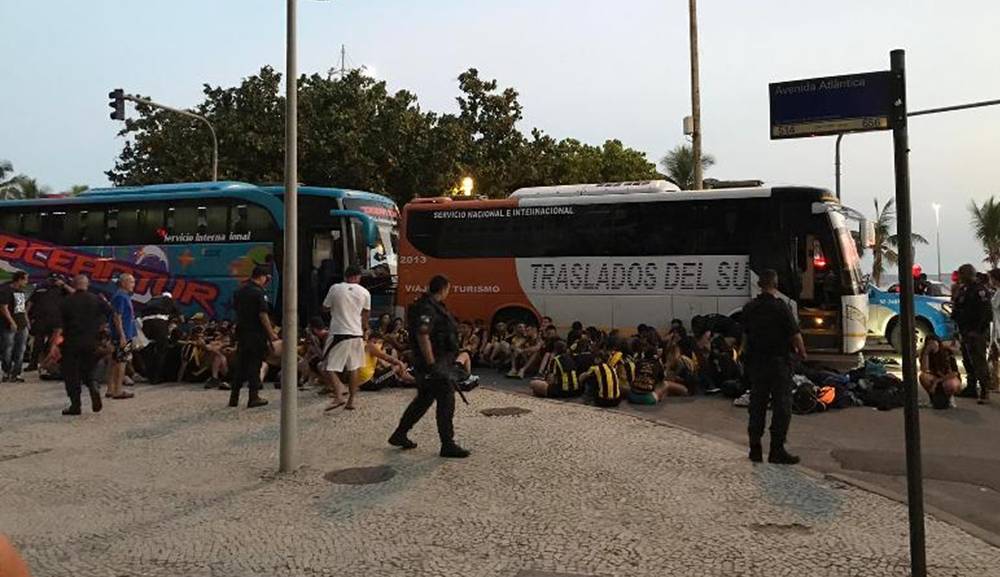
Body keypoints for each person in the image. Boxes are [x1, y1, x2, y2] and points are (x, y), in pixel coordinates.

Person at [389, 275, 470, 458]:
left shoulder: (432, 305)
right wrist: (431, 363)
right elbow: (422, 335)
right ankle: (447, 444)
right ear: (443, 289)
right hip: (433, 364)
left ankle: (399, 434)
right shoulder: (427, 307)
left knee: (423, 400)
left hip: (437, 362)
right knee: (446, 400)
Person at [742, 269, 806, 465]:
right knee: (781, 406)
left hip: (756, 363)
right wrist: (802, 353)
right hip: (778, 364)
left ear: (759, 284)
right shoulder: (781, 307)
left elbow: (744, 335)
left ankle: (755, 448)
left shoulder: (749, 307)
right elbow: (795, 335)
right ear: (775, 283)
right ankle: (776, 450)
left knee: (757, 405)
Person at [56, 275, 111, 415]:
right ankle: (93, 385)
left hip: (71, 342)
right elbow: (111, 312)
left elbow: (59, 325)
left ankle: (76, 405)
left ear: (73, 284)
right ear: (87, 284)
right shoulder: (96, 299)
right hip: (92, 341)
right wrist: (101, 326)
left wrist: (54, 345)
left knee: (71, 374)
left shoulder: (66, 301)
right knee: (88, 369)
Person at [321, 265, 371, 411]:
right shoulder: (365, 292)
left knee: (328, 366)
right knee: (354, 367)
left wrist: (337, 309)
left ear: (345, 276)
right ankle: (351, 401)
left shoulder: (335, 288)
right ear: (358, 277)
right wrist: (365, 328)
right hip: (356, 333)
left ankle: (339, 394)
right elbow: (366, 314)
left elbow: (325, 307)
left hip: (339, 332)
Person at [229, 266, 278, 408]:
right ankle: (253, 396)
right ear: (262, 277)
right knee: (254, 365)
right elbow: (263, 315)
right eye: (266, 279)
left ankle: (234, 397)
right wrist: (271, 333)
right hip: (256, 333)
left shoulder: (239, 291)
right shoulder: (259, 293)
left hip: (242, 332)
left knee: (241, 364)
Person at [952, 263, 992, 404]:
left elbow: (986, 313)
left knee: (979, 361)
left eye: (962, 274)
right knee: (967, 361)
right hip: (965, 330)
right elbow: (958, 308)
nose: (961, 277)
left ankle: (985, 390)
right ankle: (971, 388)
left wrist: (978, 331)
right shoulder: (963, 290)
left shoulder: (980, 291)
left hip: (976, 331)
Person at [26, 273, 71, 373]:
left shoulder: (64, 291)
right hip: (40, 320)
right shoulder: (39, 290)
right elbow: (28, 304)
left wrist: (63, 285)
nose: (53, 282)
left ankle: (48, 364)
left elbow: (76, 294)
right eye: (52, 279)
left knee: (53, 343)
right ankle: (33, 363)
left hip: (57, 321)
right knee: (37, 343)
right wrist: (25, 318)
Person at [139, 291, 182, 384]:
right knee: (161, 350)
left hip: (145, 325)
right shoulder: (168, 300)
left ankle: (149, 375)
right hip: (159, 324)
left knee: (149, 348)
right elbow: (179, 316)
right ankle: (157, 377)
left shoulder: (150, 301)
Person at [105, 274, 137, 400]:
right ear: (123, 283)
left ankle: (110, 389)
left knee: (114, 361)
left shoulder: (123, 296)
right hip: (122, 335)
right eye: (131, 282)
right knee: (121, 362)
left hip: (123, 333)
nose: (133, 285)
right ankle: (118, 390)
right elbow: (117, 317)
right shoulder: (121, 297)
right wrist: (122, 335)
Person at [0, 272, 30, 383]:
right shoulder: (6, 290)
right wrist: (11, 322)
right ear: (19, 280)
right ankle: (6, 372)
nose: (27, 282)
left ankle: (16, 374)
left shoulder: (21, 292)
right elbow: (4, 308)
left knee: (20, 349)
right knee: (7, 349)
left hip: (21, 324)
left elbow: (22, 309)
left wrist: (26, 321)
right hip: (8, 325)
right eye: (25, 280)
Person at [919, 336, 961, 409]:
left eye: (933, 343)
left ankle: (950, 398)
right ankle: (932, 399)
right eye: (929, 344)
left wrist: (937, 381)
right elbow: (924, 370)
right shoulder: (926, 354)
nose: (932, 346)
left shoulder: (946, 352)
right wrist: (926, 353)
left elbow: (954, 373)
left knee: (952, 384)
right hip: (934, 377)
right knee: (923, 376)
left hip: (946, 378)